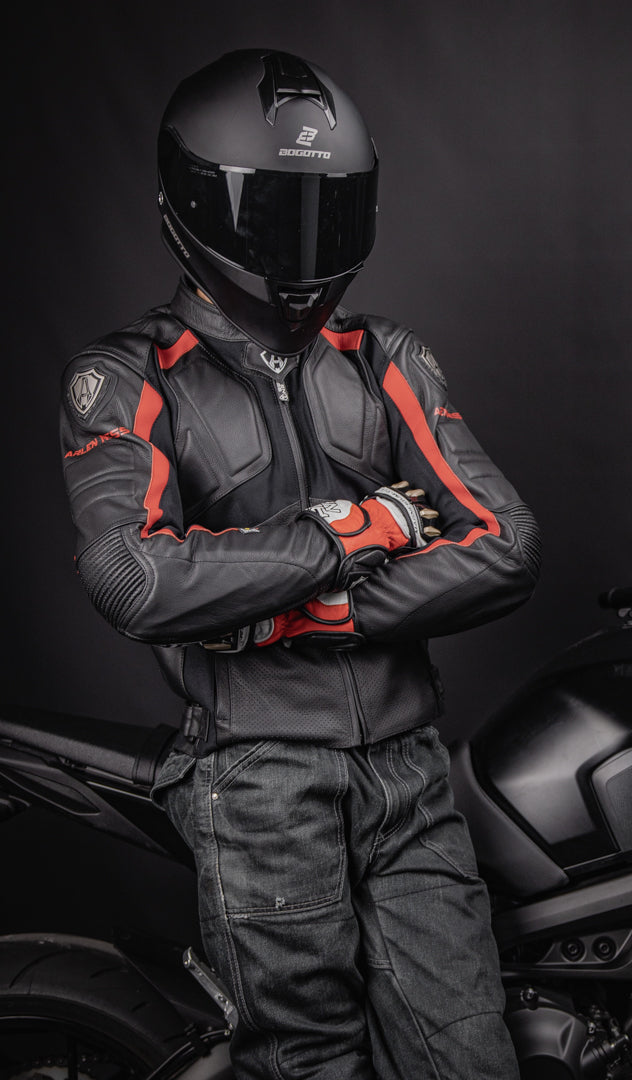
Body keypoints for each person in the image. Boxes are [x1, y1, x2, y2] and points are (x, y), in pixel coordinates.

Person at [60, 49, 540, 1079]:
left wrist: (322, 612)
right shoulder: (129, 376)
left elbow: (507, 544)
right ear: (196, 205)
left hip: (409, 773)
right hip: (259, 778)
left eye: (328, 215)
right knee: (305, 1065)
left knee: (471, 1060)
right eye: (276, 218)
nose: (305, 251)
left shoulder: (383, 357)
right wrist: (354, 532)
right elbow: (135, 578)